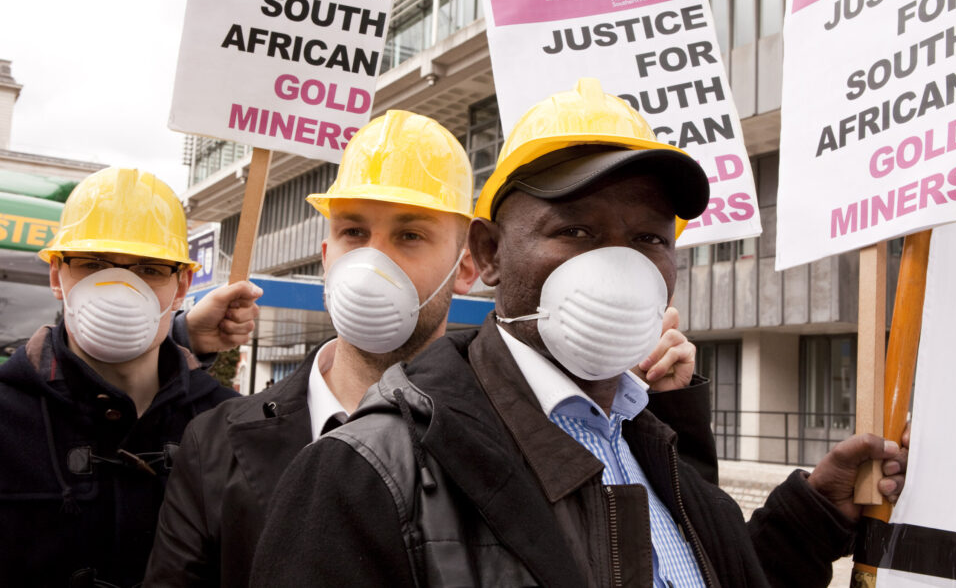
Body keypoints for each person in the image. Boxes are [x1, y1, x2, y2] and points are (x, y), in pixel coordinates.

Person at [251, 79, 907, 588]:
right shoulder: (367, 476)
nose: (619, 264)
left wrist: (812, 514)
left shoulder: (656, 448)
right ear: (492, 251)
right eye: (577, 231)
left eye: (648, 236)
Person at [144, 109, 704, 588]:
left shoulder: (545, 433)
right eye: (353, 233)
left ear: (467, 264)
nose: (373, 262)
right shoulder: (218, 440)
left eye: (409, 235)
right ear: (325, 252)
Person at [0, 167, 259, 588]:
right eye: (93, 264)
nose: (120, 289)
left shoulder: (225, 427)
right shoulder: (7, 415)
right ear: (56, 276)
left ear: (182, 286)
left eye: (149, 269)